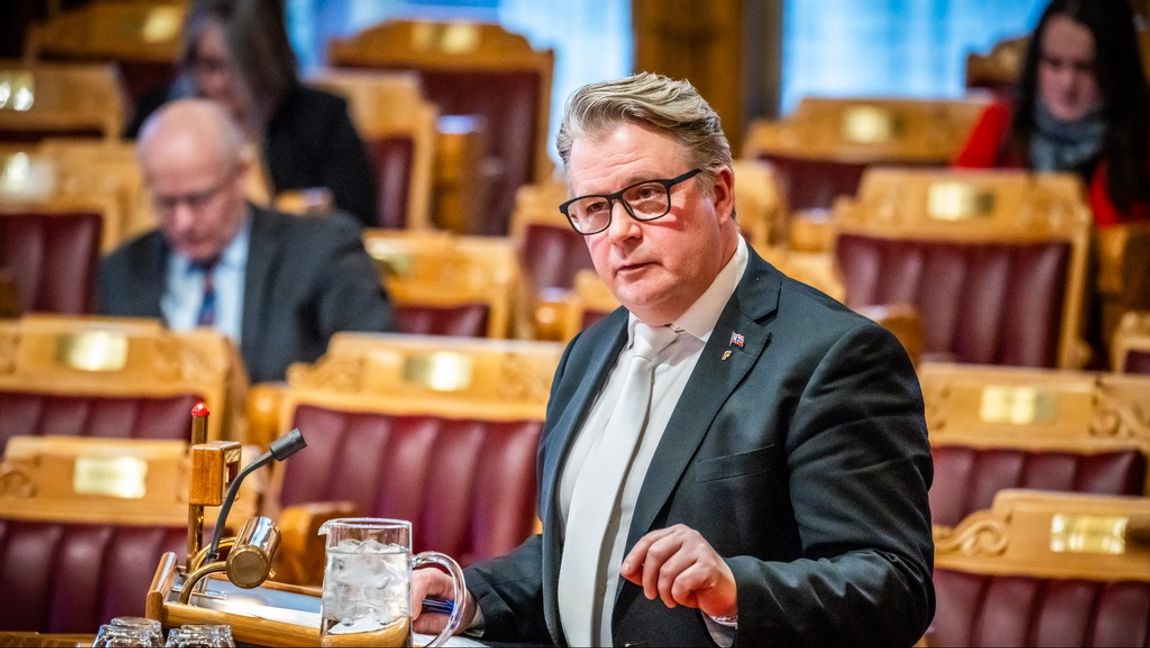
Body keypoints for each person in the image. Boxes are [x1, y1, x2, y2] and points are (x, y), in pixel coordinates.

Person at [413, 73, 934, 646]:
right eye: (593, 208)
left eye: (645, 195)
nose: (620, 233)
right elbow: (588, 550)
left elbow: (894, 586)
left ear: (720, 193)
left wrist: (737, 589)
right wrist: (462, 594)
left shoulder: (833, 357)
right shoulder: (588, 352)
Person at [99, 98, 394, 383]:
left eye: (199, 199)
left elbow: (372, 375)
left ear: (241, 175)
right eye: (166, 203)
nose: (183, 221)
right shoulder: (121, 273)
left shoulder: (319, 252)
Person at [125, 0, 380, 228]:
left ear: (267, 63)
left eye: (235, 67)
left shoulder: (321, 119)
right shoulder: (158, 117)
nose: (218, 83)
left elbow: (356, 220)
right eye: (208, 65)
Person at [955, 0, 1150, 227]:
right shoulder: (1001, 123)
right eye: (1054, 64)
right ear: (1035, 64)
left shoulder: (1141, 137)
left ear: (1116, 69)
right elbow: (954, 219)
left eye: (1084, 67)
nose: (1067, 84)